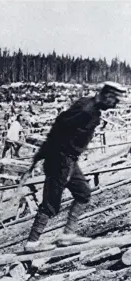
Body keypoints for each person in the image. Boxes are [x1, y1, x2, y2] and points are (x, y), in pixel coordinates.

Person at [23, 82, 126, 253]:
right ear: (108, 96)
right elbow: (58, 127)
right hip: (59, 158)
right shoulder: (85, 110)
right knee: (51, 203)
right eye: (115, 101)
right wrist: (43, 153)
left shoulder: (92, 110)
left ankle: (67, 236)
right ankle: (32, 243)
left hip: (70, 160)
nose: (115, 105)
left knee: (83, 193)